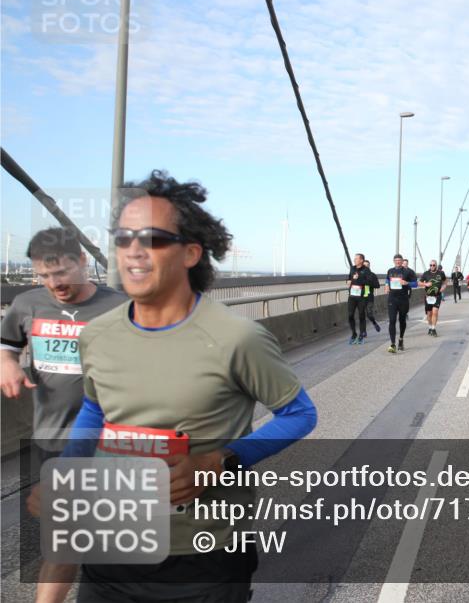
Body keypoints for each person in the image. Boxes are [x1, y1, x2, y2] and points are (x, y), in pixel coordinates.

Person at [30, 171, 317, 602]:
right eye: (123, 239)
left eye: (152, 238)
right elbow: (95, 408)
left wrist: (218, 460)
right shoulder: (97, 335)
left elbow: (300, 414)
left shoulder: (238, 338)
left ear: (190, 253)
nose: (133, 252)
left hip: (204, 555)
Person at [1, 228, 127, 466]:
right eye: (44, 275)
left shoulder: (120, 307)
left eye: (61, 273)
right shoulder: (27, 304)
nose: (54, 283)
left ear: (82, 261)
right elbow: (7, 344)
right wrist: (7, 362)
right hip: (52, 440)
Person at [385, 254, 418, 353]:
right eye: (396, 260)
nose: (398, 262)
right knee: (392, 320)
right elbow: (387, 279)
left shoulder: (408, 271)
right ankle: (392, 344)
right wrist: (386, 285)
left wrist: (407, 283)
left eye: (399, 260)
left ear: (402, 261)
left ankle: (401, 339)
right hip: (392, 299)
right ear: (393, 261)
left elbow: (416, 283)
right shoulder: (390, 271)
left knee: (402, 320)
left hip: (403, 299)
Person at [347, 253, 378, 344]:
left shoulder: (366, 270)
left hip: (362, 296)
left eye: (356, 258)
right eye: (354, 258)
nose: (354, 260)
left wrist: (359, 278)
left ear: (361, 260)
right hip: (352, 296)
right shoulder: (352, 268)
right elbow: (350, 278)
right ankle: (354, 333)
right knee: (350, 315)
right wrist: (348, 281)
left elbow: (369, 282)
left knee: (361, 315)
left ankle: (361, 334)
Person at [419, 261, 447, 335]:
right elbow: (419, 283)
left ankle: (433, 329)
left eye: (433, 265)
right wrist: (425, 284)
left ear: (436, 265)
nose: (432, 266)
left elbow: (445, 281)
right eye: (430, 265)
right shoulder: (426, 273)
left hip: (437, 296)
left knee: (435, 312)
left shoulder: (441, 273)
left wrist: (443, 287)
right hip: (428, 296)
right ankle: (430, 327)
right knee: (429, 313)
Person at [362, 259, 381, 334]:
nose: (366, 267)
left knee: (369, 314)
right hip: (360, 297)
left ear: (369, 266)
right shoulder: (359, 274)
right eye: (364, 265)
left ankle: (374, 323)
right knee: (361, 314)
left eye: (367, 265)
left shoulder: (372, 275)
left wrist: (369, 283)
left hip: (369, 297)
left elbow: (377, 285)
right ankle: (364, 331)